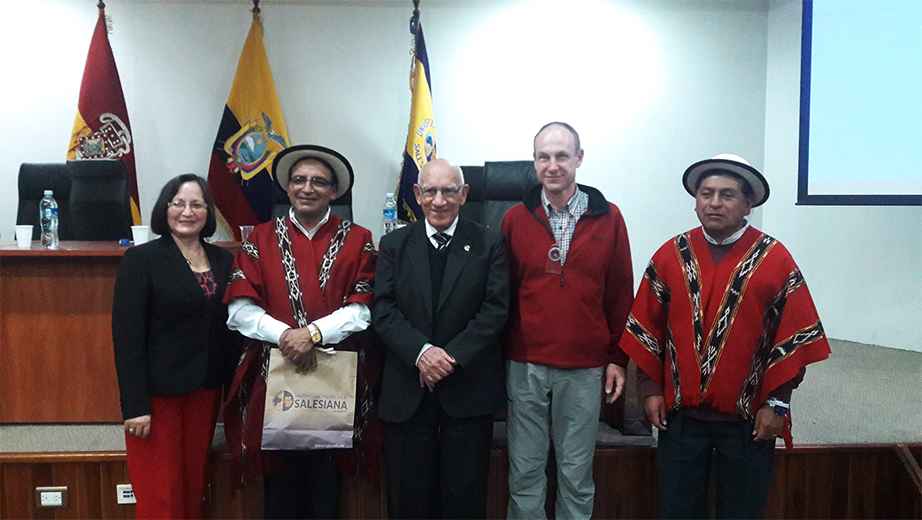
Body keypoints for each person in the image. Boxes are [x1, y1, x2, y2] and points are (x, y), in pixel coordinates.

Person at [620, 154, 831, 519]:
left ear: (749, 203)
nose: (714, 202)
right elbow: (647, 328)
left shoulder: (775, 259)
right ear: (696, 200)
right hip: (679, 418)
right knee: (677, 510)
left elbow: (794, 339)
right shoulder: (670, 256)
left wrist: (777, 405)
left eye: (727, 194)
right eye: (706, 193)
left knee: (743, 512)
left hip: (750, 421)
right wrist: (650, 390)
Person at [222, 144, 378, 519]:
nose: (308, 188)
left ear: (335, 191)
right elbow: (239, 310)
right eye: (299, 180)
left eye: (318, 182)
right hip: (275, 378)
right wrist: (287, 337)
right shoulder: (259, 238)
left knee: (326, 490)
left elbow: (363, 310)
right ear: (287, 188)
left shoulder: (358, 239)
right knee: (280, 493)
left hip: (333, 383)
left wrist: (313, 334)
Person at [501, 122, 634, 519]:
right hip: (525, 364)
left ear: (579, 158)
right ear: (535, 162)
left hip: (584, 367)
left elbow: (620, 293)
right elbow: (502, 296)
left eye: (562, 155)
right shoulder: (514, 219)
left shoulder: (609, 217)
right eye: (544, 156)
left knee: (576, 474)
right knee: (524, 472)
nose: (553, 165)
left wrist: (617, 358)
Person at [373, 158, 509, 518]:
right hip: (408, 391)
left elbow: (495, 310)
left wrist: (446, 359)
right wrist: (421, 354)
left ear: (464, 195)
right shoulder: (393, 245)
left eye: (449, 191)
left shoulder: (490, 243)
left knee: (464, 500)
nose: (439, 200)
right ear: (417, 195)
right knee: (407, 501)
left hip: (467, 389)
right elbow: (383, 309)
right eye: (430, 191)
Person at [112, 174, 235, 519]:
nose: (187, 211)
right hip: (156, 397)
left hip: (206, 388)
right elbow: (126, 337)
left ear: (208, 212)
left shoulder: (224, 260)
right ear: (165, 208)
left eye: (197, 204)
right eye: (178, 203)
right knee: (160, 495)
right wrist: (134, 404)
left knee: (192, 487)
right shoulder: (141, 260)